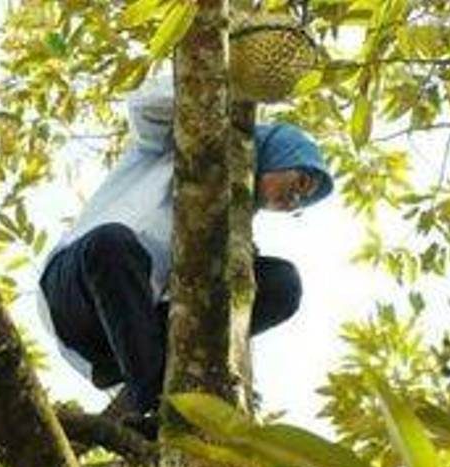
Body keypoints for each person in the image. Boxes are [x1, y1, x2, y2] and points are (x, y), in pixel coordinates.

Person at [36, 72, 334, 425]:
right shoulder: (177, 141)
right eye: (300, 182)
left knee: (282, 282)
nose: (295, 198)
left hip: (137, 332)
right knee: (112, 243)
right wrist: (226, 92)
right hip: (77, 295)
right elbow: (144, 106)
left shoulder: (235, 233)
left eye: (303, 199)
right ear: (280, 153)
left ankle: (155, 399)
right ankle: (151, 396)